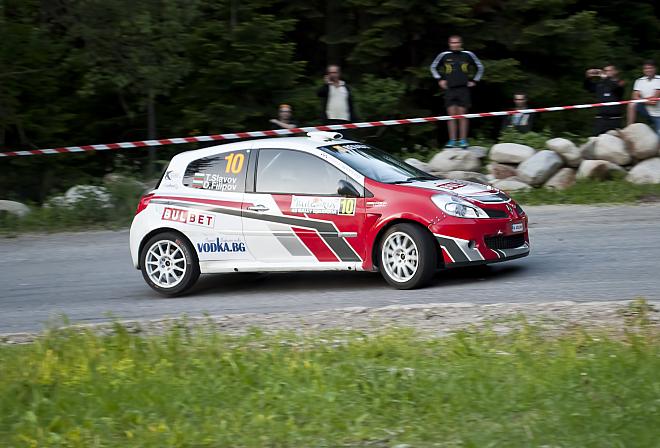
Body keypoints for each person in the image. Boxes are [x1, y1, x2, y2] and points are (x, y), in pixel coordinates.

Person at [430, 35, 484, 148]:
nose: (455, 45)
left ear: (461, 44)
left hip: (463, 88)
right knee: (451, 115)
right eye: (452, 43)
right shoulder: (444, 55)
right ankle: (452, 140)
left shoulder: (468, 54)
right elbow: (433, 67)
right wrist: (439, 79)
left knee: (462, 115)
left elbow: (480, 67)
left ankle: (463, 140)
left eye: (457, 42)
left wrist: (475, 80)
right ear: (449, 44)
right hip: (450, 89)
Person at [583, 64, 625, 135]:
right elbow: (588, 87)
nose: (606, 72)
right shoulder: (601, 84)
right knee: (597, 138)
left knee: (614, 139)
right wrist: (588, 77)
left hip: (614, 119)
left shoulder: (620, 82)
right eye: (605, 71)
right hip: (601, 119)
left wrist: (605, 78)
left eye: (609, 70)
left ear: (616, 71)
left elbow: (616, 88)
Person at [627, 60, 660, 135]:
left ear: (655, 69)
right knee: (632, 104)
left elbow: (654, 100)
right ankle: (629, 128)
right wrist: (646, 100)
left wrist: (641, 99)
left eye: (650, 68)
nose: (648, 70)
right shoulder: (639, 81)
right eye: (646, 68)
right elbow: (634, 96)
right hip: (646, 111)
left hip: (658, 114)